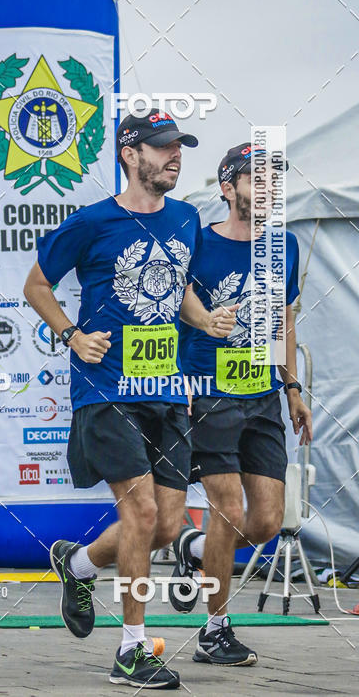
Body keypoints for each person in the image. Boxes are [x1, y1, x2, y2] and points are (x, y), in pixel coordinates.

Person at [24, 111, 238, 690]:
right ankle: (132, 650)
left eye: (180, 148)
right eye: (163, 147)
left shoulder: (186, 218)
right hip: (107, 389)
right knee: (140, 514)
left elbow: (179, 285)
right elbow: (36, 285)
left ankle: (77, 564)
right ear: (130, 154)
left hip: (166, 390)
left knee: (164, 526)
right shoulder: (91, 222)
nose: (175, 157)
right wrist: (72, 335)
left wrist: (205, 320)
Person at [170, 143, 312, 665]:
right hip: (209, 391)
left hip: (263, 397)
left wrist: (292, 387)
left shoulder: (285, 245)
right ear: (228, 188)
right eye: (257, 179)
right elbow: (169, 307)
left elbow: (284, 320)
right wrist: (178, 382)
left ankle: (192, 549)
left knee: (268, 521)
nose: (269, 189)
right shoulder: (197, 241)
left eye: (274, 180)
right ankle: (214, 631)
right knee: (227, 513)